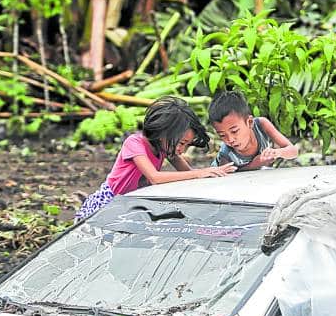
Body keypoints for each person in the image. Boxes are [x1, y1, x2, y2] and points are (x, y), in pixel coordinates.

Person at [75, 96, 236, 221]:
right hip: (105, 205)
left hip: (131, 206)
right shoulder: (134, 143)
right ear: (164, 133)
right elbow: (155, 177)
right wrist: (201, 172)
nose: (182, 150)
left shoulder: (166, 148)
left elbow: (189, 176)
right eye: (181, 143)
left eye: (186, 145)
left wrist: (215, 177)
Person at [208, 90, 298, 171]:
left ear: (250, 122)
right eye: (222, 135)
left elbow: (293, 151)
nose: (230, 139)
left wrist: (277, 153)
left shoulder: (261, 125)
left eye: (234, 131)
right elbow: (228, 178)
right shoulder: (226, 154)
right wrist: (255, 164)